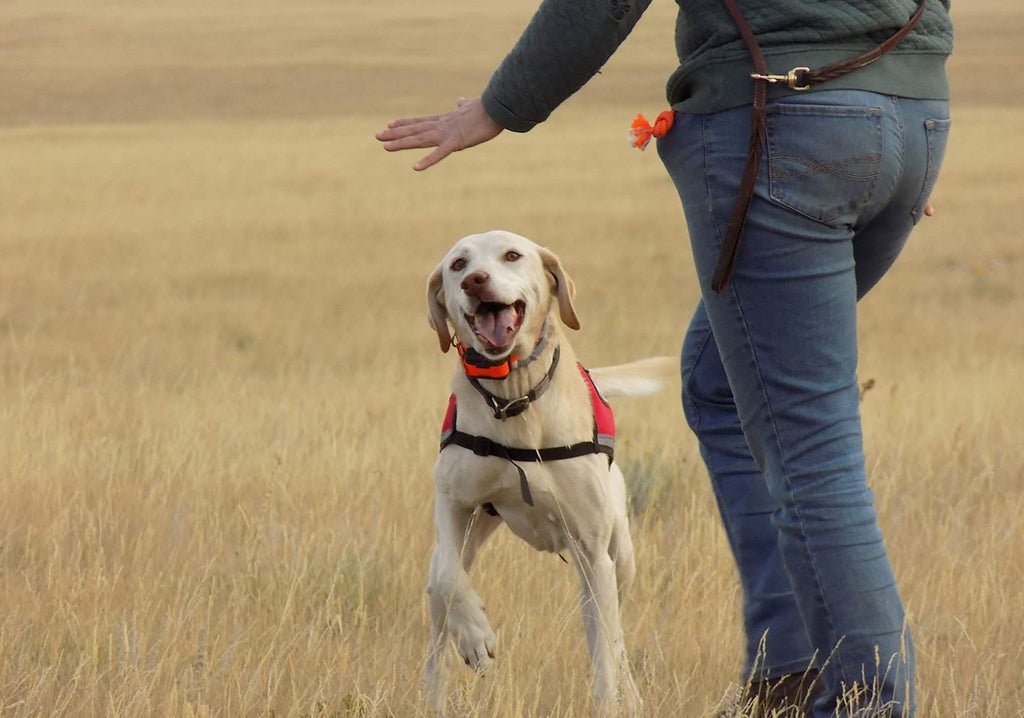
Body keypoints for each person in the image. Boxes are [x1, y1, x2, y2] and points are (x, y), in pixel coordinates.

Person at [376, 1, 952, 716]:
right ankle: (788, 667)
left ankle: (866, 704)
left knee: (811, 448)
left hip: (785, 118)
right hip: (909, 113)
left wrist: (500, 106)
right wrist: (893, 122)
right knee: (717, 385)